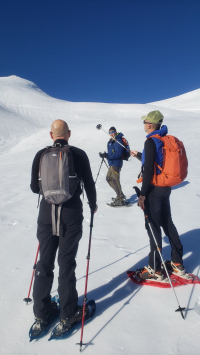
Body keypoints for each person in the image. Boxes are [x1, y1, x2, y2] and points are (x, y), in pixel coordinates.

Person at [30, 119, 97, 338]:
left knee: (45, 261)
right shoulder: (78, 154)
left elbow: (34, 187)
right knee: (66, 263)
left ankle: (41, 313)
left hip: (46, 214)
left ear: (52, 135)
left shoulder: (41, 155)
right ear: (68, 134)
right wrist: (92, 204)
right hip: (70, 213)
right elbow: (88, 183)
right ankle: (68, 314)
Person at [131, 110, 185, 281]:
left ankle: (155, 269)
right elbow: (156, 163)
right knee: (167, 223)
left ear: (150, 124)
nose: (144, 124)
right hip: (165, 187)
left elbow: (148, 170)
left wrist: (143, 195)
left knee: (153, 227)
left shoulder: (150, 141)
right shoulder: (163, 140)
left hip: (153, 191)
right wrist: (139, 155)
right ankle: (177, 262)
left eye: (145, 121)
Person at [99, 126, 126, 206]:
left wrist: (107, 155)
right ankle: (119, 194)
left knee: (115, 180)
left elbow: (118, 154)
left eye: (112, 132)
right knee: (108, 178)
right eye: (109, 132)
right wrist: (105, 155)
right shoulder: (111, 141)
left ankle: (120, 198)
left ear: (115, 131)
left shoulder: (118, 140)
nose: (111, 133)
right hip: (111, 163)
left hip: (116, 163)